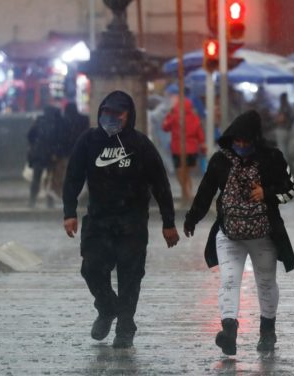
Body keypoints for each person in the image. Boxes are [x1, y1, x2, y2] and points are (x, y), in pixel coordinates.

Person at [62, 90, 180, 349]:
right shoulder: (89, 141)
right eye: (107, 112)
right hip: (99, 221)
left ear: (129, 116)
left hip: (132, 222)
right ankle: (107, 309)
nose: (111, 118)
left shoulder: (140, 144)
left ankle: (126, 325)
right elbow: (73, 176)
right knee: (91, 269)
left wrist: (168, 221)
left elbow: (160, 183)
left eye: (118, 113)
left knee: (130, 276)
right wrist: (69, 212)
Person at [183, 110, 294, 355]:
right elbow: (205, 192)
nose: (242, 146)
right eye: (238, 141)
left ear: (256, 139)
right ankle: (229, 331)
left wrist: (266, 193)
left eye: (246, 142)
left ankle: (267, 333)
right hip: (229, 233)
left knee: (266, 283)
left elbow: (290, 190)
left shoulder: (273, 158)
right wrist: (192, 219)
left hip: (263, 234)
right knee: (229, 281)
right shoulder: (219, 161)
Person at [162, 96, 206, 202]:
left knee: (180, 173)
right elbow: (199, 132)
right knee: (186, 173)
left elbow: (165, 127)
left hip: (178, 149)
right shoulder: (194, 117)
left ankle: (187, 194)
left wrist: (169, 115)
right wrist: (202, 143)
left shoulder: (174, 116)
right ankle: (188, 194)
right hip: (191, 149)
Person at [50, 102, 89, 199]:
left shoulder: (63, 121)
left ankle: (65, 195)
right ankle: (79, 195)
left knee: (64, 175)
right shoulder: (84, 120)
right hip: (80, 153)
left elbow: (59, 138)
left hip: (65, 153)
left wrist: (57, 152)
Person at [27, 105, 64, 208]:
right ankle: (50, 202)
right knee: (50, 179)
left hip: (38, 154)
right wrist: (55, 153)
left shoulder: (39, 121)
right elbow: (58, 140)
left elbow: (30, 136)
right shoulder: (56, 123)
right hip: (50, 156)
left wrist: (35, 145)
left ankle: (32, 200)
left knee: (36, 178)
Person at [273, 93, 294, 158]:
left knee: (283, 149)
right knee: (287, 149)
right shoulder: (289, 107)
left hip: (283, 130)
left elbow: (281, 118)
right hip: (288, 130)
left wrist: (275, 119)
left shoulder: (284, 107)